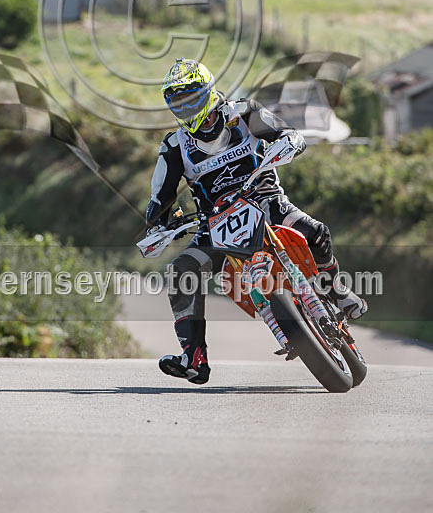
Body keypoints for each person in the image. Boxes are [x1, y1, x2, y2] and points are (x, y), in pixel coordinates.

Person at [145, 58, 367, 385]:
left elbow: (286, 133)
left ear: (207, 91)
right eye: (177, 102)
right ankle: (194, 357)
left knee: (315, 231)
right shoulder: (174, 145)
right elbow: (158, 200)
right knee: (180, 271)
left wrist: (288, 142)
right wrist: (161, 221)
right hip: (214, 224)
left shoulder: (244, 113)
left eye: (191, 98)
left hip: (266, 201)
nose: (185, 107)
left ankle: (335, 290)